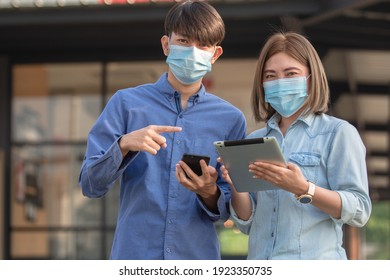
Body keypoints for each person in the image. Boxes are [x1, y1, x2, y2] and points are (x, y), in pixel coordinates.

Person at [78, 0, 246, 260]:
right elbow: (90, 185)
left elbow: (230, 208)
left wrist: (207, 191)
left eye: (202, 45)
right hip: (133, 259)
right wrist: (124, 145)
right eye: (184, 41)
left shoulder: (231, 120)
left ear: (215, 54)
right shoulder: (126, 104)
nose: (193, 52)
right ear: (167, 45)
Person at [219, 31, 372, 259]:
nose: (280, 82)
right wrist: (234, 184)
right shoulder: (254, 139)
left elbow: (359, 210)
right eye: (270, 76)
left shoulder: (338, 133)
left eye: (291, 74)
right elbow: (247, 223)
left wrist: (304, 188)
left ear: (311, 78)